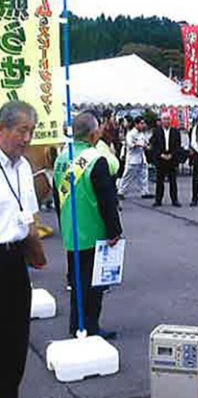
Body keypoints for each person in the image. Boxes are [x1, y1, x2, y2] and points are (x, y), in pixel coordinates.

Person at [53, 112, 123, 339]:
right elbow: (107, 200)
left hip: (71, 230)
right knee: (93, 283)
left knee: (76, 281)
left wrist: (63, 223)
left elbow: (57, 196)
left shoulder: (62, 158)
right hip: (93, 230)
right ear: (93, 134)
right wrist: (114, 231)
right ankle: (90, 327)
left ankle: (76, 324)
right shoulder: (96, 159)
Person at [0, 101, 46, 398]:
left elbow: (30, 216)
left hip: (15, 262)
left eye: (32, 131)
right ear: (2, 129)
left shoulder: (25, 167)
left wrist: (35, 250)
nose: (27, 138)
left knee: (15, 346)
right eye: (22, 130)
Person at [150, 111, 182, 207]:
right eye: (164, 119)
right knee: (160, 180)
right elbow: (154, 145)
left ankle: (175, 200)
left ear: (170, 120)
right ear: (161, 120)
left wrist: (172, 154)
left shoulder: (176, 132)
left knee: (173, 180)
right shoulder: (156, 131)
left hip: (172, 157)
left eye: (168, 119)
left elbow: (178, 145)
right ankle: (158, 200)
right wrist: (160, 154)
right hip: (161, 158)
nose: (166, 121)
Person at [117, 116, 152, 199]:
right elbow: (130, 144)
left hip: (142, 158)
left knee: (143, 175)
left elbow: (146, 143)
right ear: (136, 124)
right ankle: (121, 192)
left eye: (143, 123)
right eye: (141, 123)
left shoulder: (142, 134)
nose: (143, 125)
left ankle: (145, 192)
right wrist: (138, 144)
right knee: (128, 176)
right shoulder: (131, 134)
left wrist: (147, 146)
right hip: (133, 159)